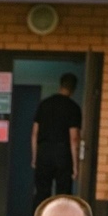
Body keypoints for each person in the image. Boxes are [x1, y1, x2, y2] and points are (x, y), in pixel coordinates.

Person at [31, 73, 81, 207]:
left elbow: (34, 133)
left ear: (60, 84)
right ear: (73, 88)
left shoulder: (44, 105)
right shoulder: (73, 108)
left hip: (44, 151)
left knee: (41, 192)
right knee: (63, 195)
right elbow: (74, 138)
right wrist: (76, 166)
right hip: (63, 154)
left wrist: (35, 157)